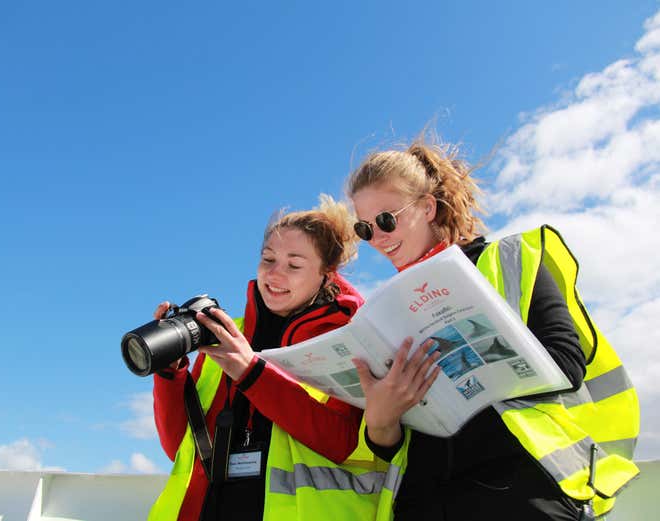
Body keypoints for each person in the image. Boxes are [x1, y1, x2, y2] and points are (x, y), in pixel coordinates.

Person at [344, 135, 640, 520]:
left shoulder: (508, 261)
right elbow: (386, 447)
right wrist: (381, 419)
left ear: (428, 207)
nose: (377, 238)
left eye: (386, 220)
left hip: (519, 490)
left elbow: (567, 363)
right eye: (365, 230)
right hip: (422, 498)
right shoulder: (387, 314)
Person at [148, 195, 386, 521]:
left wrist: (251, 372)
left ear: (326, 275)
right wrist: (169, 376)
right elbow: (181, 448)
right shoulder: (229, 338)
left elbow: (342, 442)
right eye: (268, 259)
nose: (274, 275)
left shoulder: (348, 342)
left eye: (294, 265)